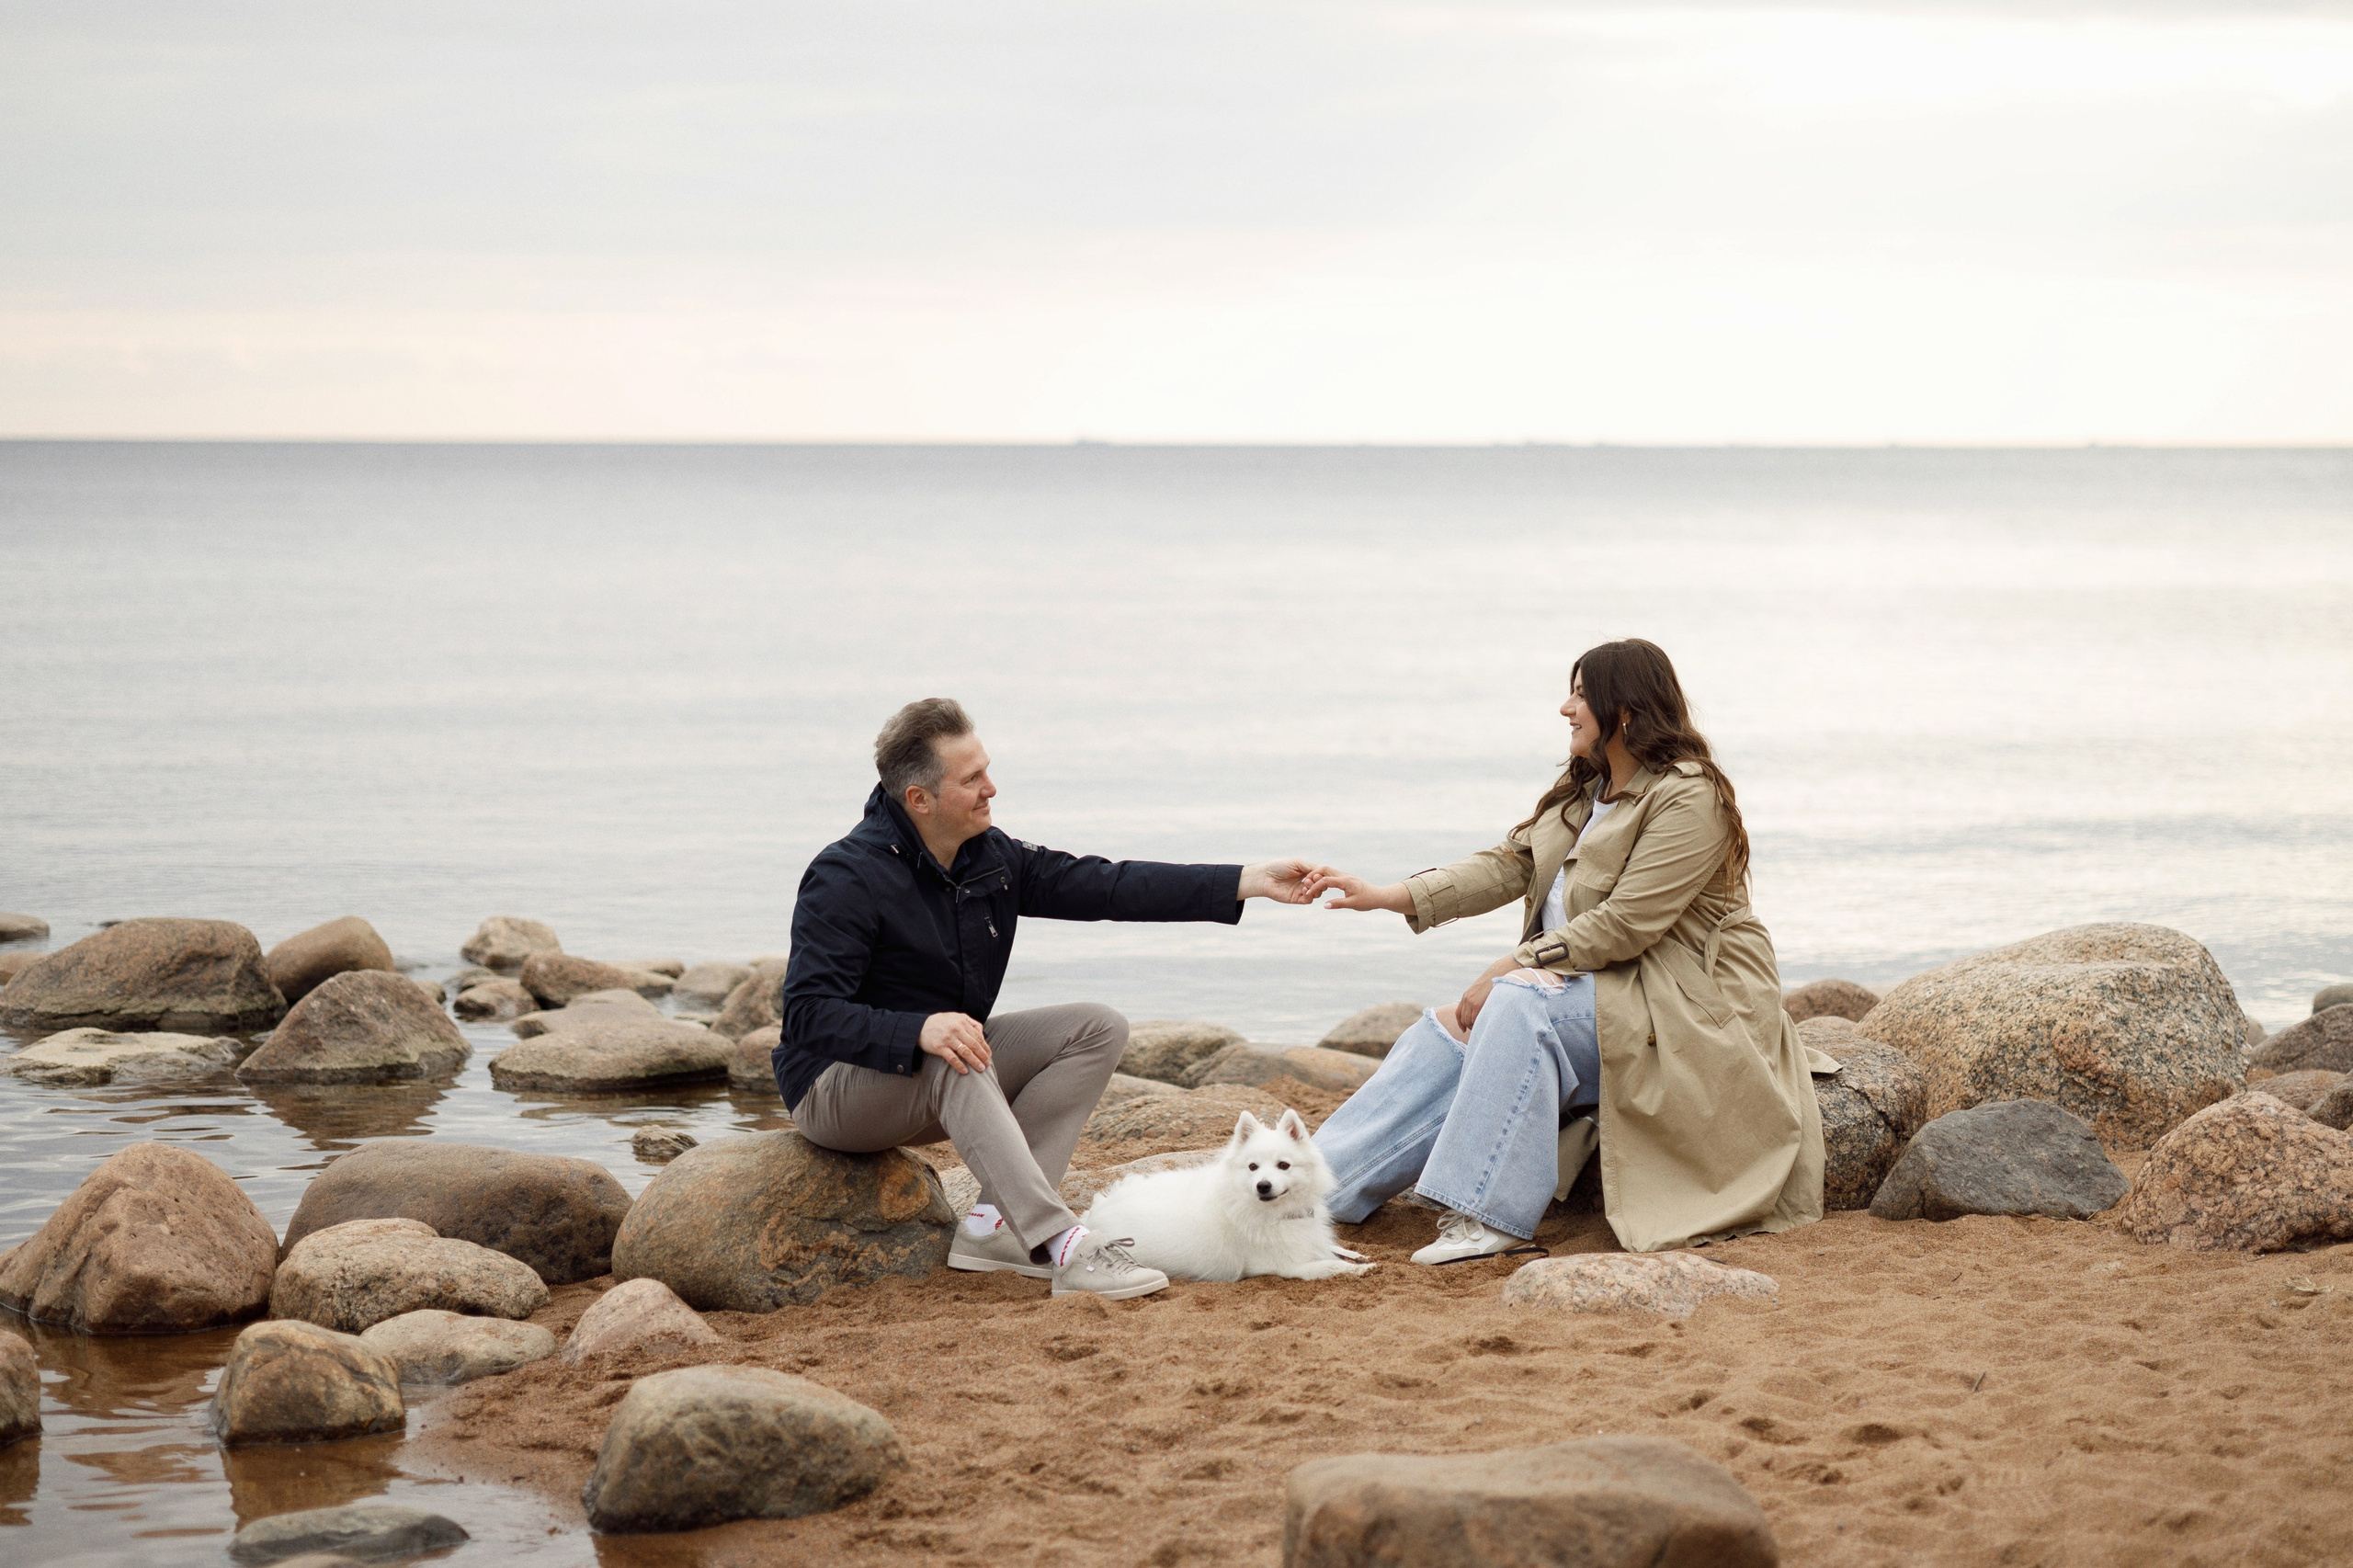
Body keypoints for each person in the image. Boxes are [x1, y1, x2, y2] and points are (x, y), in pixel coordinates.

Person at [1302, 639, 1829, 1262]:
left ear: (1625, 709)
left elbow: (1628, 922)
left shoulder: (1690, 796)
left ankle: (1488, 1213)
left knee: (1518, 1006)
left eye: (1580, 694)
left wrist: (1514, 967)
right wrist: (1390, 895)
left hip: (1683, 1005)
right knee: (1443, 1033)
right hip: (1603, 990)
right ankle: (1312, 1188)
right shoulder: (1587, 793)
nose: (1565, 708)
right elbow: (1508, 865)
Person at [778, 698, 1315, 1301]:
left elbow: (1109, 884)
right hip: (835, 1090)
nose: (992, 789)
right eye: (972, 779)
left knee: (1095, 1027)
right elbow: (806, 1015)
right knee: (956, 1054)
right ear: (919, 800)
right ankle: (1062, 1246)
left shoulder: (989, 857)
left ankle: (990, 1229)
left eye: (986, 769)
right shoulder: (847, 876)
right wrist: (917, 1030)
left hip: (937, 1073)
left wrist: (1247, 880)